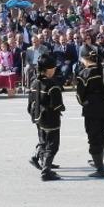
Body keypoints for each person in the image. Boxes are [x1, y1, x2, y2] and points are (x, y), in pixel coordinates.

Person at [75, 45, 104, 178]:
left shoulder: (84, 73)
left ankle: (100, 169)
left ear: (84, 59)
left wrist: (85, 102)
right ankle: (98, 162)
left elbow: (79, 95)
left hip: (92, 109)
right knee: (101, 134)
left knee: (94, 137)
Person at [27, 53, 64, 181]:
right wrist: (61, 109)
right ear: (49, 70)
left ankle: (41, 160)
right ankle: (46, 170)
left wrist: (33, 115)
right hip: (50, 119)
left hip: (38, 117)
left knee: (43, 140)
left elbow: (30, 103)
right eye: (54, 68)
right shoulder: (52, 85)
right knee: (53, 145)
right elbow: (57, 105)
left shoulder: (34, 82)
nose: (55, 70)